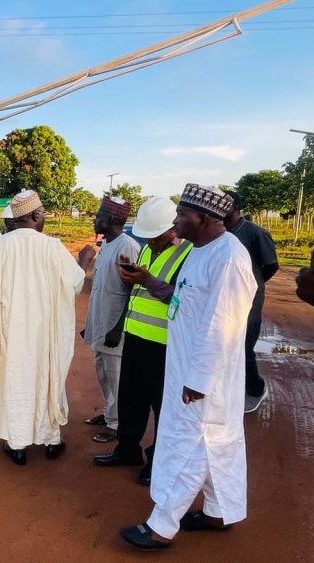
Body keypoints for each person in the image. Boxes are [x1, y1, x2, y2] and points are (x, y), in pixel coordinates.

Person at [121, 184, 257, 551]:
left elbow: (222, 325)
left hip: (203, 378)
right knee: (217, 444)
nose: (176, 220)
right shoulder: (200, 251)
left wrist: (198, 379)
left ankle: (161, 525)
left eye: (183, 215)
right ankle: (219, 511)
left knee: (189, 446)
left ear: (207, 218)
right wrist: (149, 282)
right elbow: (180, 299)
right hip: (185, 369)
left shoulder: (228, 257)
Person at [0, 190, 87, 466]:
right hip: (44, 335)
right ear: (35, 215)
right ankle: (51, 440)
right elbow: (75, 284)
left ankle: (17, 444)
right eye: (43, 213)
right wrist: (84, 262)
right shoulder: (53, 247)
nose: (44, 217)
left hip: (7, 334)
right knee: (46, 380)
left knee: (14, 381)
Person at [93, 197, 192, 486]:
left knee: (163, 407)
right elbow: (137, 294)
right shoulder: (150, 249)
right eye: (146, 237)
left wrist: (147, 280)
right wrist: (132, 279)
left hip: (164, 345)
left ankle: (157, 461)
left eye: (155, 237)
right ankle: (127, 450)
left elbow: (184, 299)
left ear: (172, 229)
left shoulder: (188, 254)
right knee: (130, 400)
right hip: (136, 338)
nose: (149, 243)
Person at [81, 197, 140, 443]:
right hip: (101, 323)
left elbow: (133, 293)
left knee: (116, 377)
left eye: (99, 216)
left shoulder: (128, 247)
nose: (95, 219)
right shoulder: (107, 244)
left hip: (115, 328)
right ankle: (109, 414)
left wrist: (118, 328)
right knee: (103, 374)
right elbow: (100, 288)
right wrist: (91, 324)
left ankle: (116, 424)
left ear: (114, 220)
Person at [223, 191, 279, 413]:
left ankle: (255, 390)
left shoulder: (254, 233)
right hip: (225, 303)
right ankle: (232, 391)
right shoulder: (220, 233)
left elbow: (271, 265)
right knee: (226, 350)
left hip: (248, 306)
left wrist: (252, 283)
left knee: (243, 350)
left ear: (236, 207)